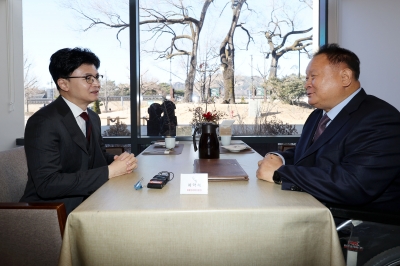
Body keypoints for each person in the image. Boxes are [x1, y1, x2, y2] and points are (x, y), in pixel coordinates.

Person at [256, 44, 400, 212]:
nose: (306, 84)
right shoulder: (318, 116)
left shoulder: (380, 118)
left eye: (313, 77)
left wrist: (280, 173)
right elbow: (307, 155)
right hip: (313, 207)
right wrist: (278, 158)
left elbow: (354, 185)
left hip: (357, 224)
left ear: (345, 77)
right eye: (306, 78)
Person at [20, 47, 138, 215]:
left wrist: (118, 160)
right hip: (53, 212)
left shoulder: (92, 117)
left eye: (97, 77)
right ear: (63, 83)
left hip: (92, 200)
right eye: (87, 78)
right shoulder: (43, 122)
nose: (96, 83)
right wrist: (110, 171)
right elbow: (47, 184)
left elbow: (95, 157)